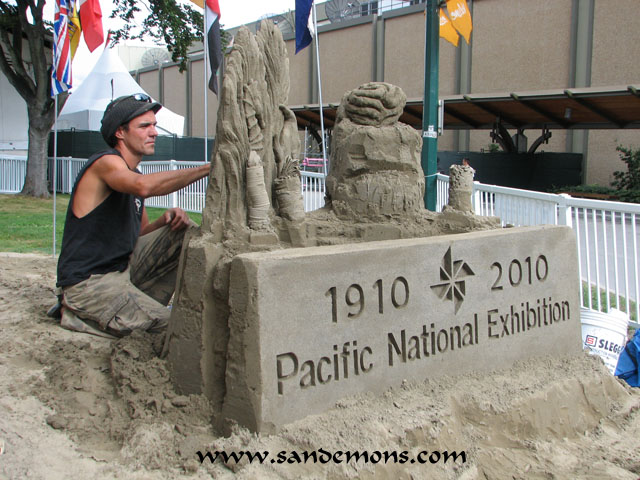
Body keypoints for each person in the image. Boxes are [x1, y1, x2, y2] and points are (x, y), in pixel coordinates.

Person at [51, 93, 210, 338]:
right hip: (90, 284)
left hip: (121, 273)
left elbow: (139, 236)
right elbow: (142, 186)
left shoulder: (131, 172)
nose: (154, 132)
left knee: (181, 231)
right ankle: (79, 312)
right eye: (144, 126)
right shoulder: (106, 163)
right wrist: (208, 168)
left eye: (154, 125)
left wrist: (165, 220)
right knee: (175, 328)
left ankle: (142, 305)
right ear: (120, 132)